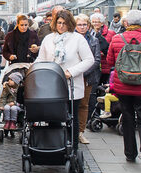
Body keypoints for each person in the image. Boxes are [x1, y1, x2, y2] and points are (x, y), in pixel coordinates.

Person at [107, 10, 141, 171]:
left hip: (122, 86)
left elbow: (110, 61)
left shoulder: (117, 39)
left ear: (127, 23)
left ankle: (130, 153)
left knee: (128, 117)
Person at [36, 10, 94, 153]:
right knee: (53, 117)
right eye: (59, 23)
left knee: (72, 118)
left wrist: (71, 72)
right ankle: (55, 147)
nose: (61, 26)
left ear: (70, 24)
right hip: (51, 86)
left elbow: (89, 60)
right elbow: (41, 59)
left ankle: (72, 148)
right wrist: (34, 70)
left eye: (64, 23)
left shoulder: (78, 39)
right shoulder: (48, 39)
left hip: (71, 85)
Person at [75, 14, 101, 145]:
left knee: (84, 104)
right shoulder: (71, 38)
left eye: (84, 24)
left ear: (88, 26)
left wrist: (83, 72)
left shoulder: (93, 40)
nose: (82, 27)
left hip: (87, 77)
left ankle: (80, 132)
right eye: (79, 24)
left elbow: (96, 60)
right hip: (72, 76)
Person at [91, 13, 115, 84]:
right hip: (93, 66)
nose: (94, 24)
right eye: (93, 22)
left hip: (106, 65)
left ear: (102, 23)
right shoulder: (89, 33)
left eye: (97, 22)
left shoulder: (111, 33)